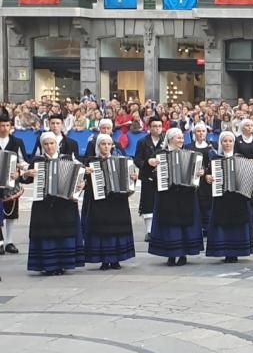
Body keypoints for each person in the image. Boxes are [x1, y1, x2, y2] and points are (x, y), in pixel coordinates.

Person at [23, 132, 85, 276]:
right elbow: (25, 180)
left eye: (51, 143)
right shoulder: (37, 161)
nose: (49, 147)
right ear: (42, 146)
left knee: (64, 233)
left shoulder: (68, 159)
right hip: (44, 204)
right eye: (46, 144)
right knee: (47, 234)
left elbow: (79, 177)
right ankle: (48, 265)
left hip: (64, 204)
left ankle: (63, 264)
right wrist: (26, 174)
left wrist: (81, 184)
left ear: (56, 144)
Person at [148, 128, 204, 266]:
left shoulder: (191, 154)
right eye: (178, 138)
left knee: (185, 224)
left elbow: (198, 172)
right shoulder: (160, 154)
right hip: (167, 194)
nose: (181, 140)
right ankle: (171, 255)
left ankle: (184, 254)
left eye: (182, 138)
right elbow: (148, 173)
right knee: (169, 225)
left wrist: (200, 172)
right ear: (170, 139)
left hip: (186, 194)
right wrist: (152, 167)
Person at [82, 134, 137, 270]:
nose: (106, 147)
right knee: (102, 230)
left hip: (118, 201)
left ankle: (116, 259)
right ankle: (104, 260)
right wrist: (85, 173)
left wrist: (133, 178)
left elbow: (130, 182)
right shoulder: (91, 162)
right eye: (103, 144)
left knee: (117, 229)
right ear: (98, 146)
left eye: (108, 144)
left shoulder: (123, 160)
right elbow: (82, 182)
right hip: (100, 200)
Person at [205, 131, 253, 262]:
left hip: (238, 197)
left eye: (230, 141)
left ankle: (237, 251)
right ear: (221, 143)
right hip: (221, 197)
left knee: (238, 223)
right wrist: (207, 177)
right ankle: (225, 250)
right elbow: (206, 173)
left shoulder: (240, 157)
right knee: (222, 223)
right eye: (225, 141)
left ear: (234, 143)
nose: (227, 144)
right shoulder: (215, 158)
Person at [134, 117, 166, 241]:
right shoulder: (142, 142)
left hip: (162, 176)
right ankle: (149, 231)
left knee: (162, 202)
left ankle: (161, 229)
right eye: (154, 126)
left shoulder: (165, 141)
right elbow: (137, 159)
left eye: (159, 126)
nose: (157, 128)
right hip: (147, 176)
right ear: (149, 128)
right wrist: (147, 163)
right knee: (148, 202)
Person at [0, 114, 28, 253]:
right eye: (1, 125)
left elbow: (24, 161)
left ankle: (9, 241)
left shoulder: (17, 142)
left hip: (11, 182)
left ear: (11, 127)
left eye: (7, 125)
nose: (4, 128)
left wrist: (19, 173)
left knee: (11, 212)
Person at [186, 123, 215, 235]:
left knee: (207, 204)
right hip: (194, 180)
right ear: (194, 133)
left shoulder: (212, 146)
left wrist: (207, 173)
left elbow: (215, 163)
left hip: (207, 180)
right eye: (198, 131)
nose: (201, 133)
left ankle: (207, 227)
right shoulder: (189, 147)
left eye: (203, 131)